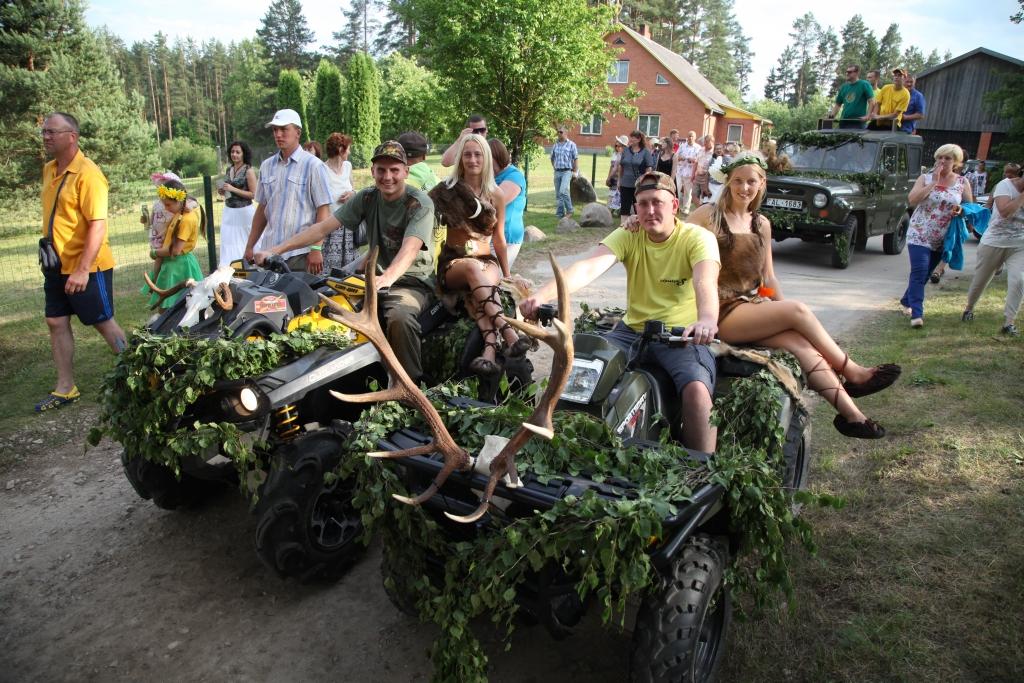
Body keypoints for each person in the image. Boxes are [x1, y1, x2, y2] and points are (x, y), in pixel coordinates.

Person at [686, 153, 899, 439]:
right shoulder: (708, 215)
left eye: (751, 181)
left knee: (802, 346)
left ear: (762, 183)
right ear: (727, 182)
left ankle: (852, 416)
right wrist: (637, 224)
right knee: (796, 311)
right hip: (720, 310)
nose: (744, 188)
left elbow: (768, 277)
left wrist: (777, 305)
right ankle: (853, 372)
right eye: (737, 181)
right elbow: (674, 235)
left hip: (750, 306)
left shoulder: (761, 223)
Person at [520, 171, 721, 451]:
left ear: (674, 206)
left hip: (680, 338)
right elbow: (587, 267)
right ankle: (560, 446)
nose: (650, 210)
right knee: (576, 371)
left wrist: (707, 320)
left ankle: (701, 468)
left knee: (697, 392)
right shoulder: (630, 234)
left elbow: (705, 281)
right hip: (631, 333)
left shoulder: (697, 238)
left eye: (658, 202)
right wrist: (539, 295)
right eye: (643, 203)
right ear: (635, 208)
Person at [254, 141, 437, 382]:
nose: (387, 176)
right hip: (372, 280)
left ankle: (410, 387)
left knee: (399, 318)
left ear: (405, 171)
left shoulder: (419, 203)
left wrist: (386, 278)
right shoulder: (368, 198)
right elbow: (323, 228)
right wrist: (276, 250)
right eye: (381, 170)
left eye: (394, 170)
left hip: (411, 282)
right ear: (372, 171)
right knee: (325, 310)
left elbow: (410, 249)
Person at [36, 112, 126, 412]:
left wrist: (83, 270)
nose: (46, 136)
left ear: (71, 136)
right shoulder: (49, 169)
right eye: (44, 131)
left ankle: (141, 376)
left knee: (102, 322)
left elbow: (97, 226)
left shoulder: (89, 174)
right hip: (56, 265)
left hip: (87, 266)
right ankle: (65, 388)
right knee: (55, 321)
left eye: (52, 131)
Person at [431, 134, 527, 376]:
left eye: (478, 154)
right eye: (467, 154)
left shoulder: (497, 195)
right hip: (454, 263)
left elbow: (499, 240)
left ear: (486, 158)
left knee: (483, 283)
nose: (473, 159)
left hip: (487, 261)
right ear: (460, 159)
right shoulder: (445, 191)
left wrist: (507, 275)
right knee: (474, 271)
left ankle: (489, 352)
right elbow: (417, 210)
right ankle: (509, 333)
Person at [243, 109, 332, 274]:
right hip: (269, 253)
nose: (278, 134)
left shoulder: (313, 166)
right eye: (275, 130)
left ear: (298, 132)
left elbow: (323, 210)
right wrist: (250, 246)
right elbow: (262, 209)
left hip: (301, 253)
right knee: (270, 299)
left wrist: (315, 248)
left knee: (301, 299)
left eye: (284, 129)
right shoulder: (267, 166)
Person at [900, 144, 974, 327]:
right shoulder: (925, 178)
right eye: (940, 157)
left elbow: (970, 209)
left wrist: (961, 211)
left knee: (925, 274)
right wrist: (933, 183)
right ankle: (917, 314)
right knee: (919, 271)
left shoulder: (962, 183)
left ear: (956, 162)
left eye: (948, 158)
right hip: (919, 232)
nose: (942, 161)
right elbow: (912, 200)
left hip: (943, 237)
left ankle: (906, 300)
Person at [961, 171, 1024, 336]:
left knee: (1019, 280)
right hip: (993, 242)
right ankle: (969, 308)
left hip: (1019, 245)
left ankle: (1009, 323)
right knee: (981, 280)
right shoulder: (1005, 185)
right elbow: (1004, 212)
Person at [145, 179, 205, 309]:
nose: (166, 208)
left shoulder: (186, 220)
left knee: (174, 307)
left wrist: (155, 252)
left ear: (179, 201)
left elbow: (176, 250)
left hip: (179, 265)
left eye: (168, 205)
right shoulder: (180, 212)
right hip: (172, 263)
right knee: (169, 306)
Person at [489, 137, 527, 267]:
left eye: (487, 158)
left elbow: (494, 203)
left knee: (495, 278)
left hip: (507, 237)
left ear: (497, 157)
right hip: (490, 237)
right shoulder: (492, 175)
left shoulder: (514, 176)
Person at [322, 132, 356, 272]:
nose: (349, 151)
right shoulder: (321, 169)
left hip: (347, 225)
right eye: (348, 148)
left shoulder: (348, 166)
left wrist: (352, 194)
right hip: (329, 225)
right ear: (341, 150)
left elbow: (353, 189)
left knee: (349, 267)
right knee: (330, 267)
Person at [218, 140, 257, 265]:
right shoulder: (229, 169)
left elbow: (253, 194)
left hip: (244, 212)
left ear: (243, 154)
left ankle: (248, 264)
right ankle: (230, 266)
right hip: (229, 211)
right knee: (229, 240)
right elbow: (228, 190)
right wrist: (223, 191)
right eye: (232, 152)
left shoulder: (249, 171)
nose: (234, 154)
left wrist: (232, 189)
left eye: (237, 152)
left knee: (244, 239)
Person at [617, 130, 653, 220]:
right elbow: (621, 167)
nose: (631, 139)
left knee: (639, 207)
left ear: (639, 139)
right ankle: (623, 227)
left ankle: (640, 227)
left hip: (639, 185)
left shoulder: (645, 152)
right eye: (631, 137)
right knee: (624, 207)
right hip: (625, 184)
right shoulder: (626, 151)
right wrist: (619, 181)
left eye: (633, 137)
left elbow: (649, 169)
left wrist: (644, 181)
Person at [828, 64, 874, 129]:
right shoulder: (844, 87)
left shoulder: (864, 84)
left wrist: (868, 116)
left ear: (857, 73)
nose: (847, 74)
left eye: (849, 72)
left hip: (858, 122)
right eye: (846, 72)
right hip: (844, 122)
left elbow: (872, 101)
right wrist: (831, 116)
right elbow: (837, 105)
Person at [550, 126, 579, 219]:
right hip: (557, 172)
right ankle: (560, 214)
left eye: (561, 132)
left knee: (563, 191)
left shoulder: (571, 145)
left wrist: (575, 171)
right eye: (558, 132)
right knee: (558, 194)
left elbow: (576, 159)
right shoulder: (555, 145)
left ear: (566, 133)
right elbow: (552, 157)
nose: (559, 133)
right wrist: (554, 167)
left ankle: (570, 211)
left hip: (567, 171)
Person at [672, 130, 701, 216]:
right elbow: (676, 156)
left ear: (695, 138)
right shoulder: (682, 146)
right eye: (689, 136)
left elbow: (699, 160)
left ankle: (685, 209)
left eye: (692, 136)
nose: (690, 138)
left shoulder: (698, 148)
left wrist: (693, 160)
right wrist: (681, 158)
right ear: (687, 137)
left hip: (690, 172)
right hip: (680, 171)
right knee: (676, 189)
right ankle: (675, 207)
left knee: (688, 192)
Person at [607, 135, 627, 214]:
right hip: (614, 178)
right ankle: (609, 211)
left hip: (621, 178)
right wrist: (609, 177)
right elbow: (612, 167)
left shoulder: (623, 154)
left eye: (618, 144)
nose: (617, 146)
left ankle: (610, 212)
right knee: (612, 195)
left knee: (617, 196)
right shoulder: (617, 154)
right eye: (616, 145)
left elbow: (617, 168)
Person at [694, 135, 716, 205]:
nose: (705, 144)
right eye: (705, 142)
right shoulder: (701, 150)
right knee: (694, 194)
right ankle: (699, 209)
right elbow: (696, 162)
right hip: (698, 176)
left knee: (704, 196)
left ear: (712, 142)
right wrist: (693, 175)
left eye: (707, 142)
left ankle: (702, 210)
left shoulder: (714, 153)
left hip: (706, 178)